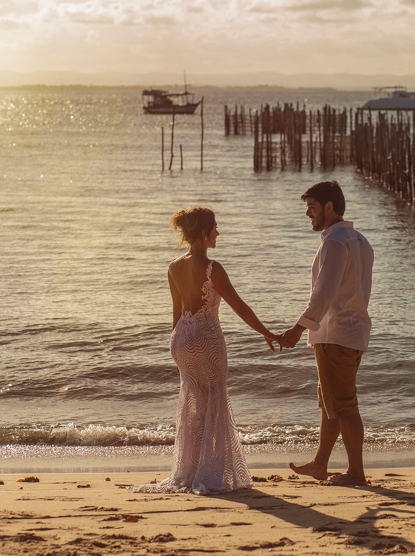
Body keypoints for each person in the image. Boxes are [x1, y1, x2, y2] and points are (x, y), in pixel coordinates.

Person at [129, 207, 281, 495]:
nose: (218, 233)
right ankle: (211, 472)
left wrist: (175, 351)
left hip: (181, 339)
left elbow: (177, 312)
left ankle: (190, 469)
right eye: (215, 228)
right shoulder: (213, 268)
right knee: (215, 402)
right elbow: (241, 307)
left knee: (195, 405)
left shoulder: (174, 266)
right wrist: (267, 333)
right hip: (206, 339)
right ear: (203, 233)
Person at [281, 181, 374, 486]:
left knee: (344, 404)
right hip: (352, 331)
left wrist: (297, 329)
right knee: (330, 402)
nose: (308, 213)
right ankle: (320, 464)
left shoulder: (335, 243)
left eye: (312, 207)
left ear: (329, 207)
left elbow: (324, 295)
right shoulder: (359, 240)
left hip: (337, 334)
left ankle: (356, 473)